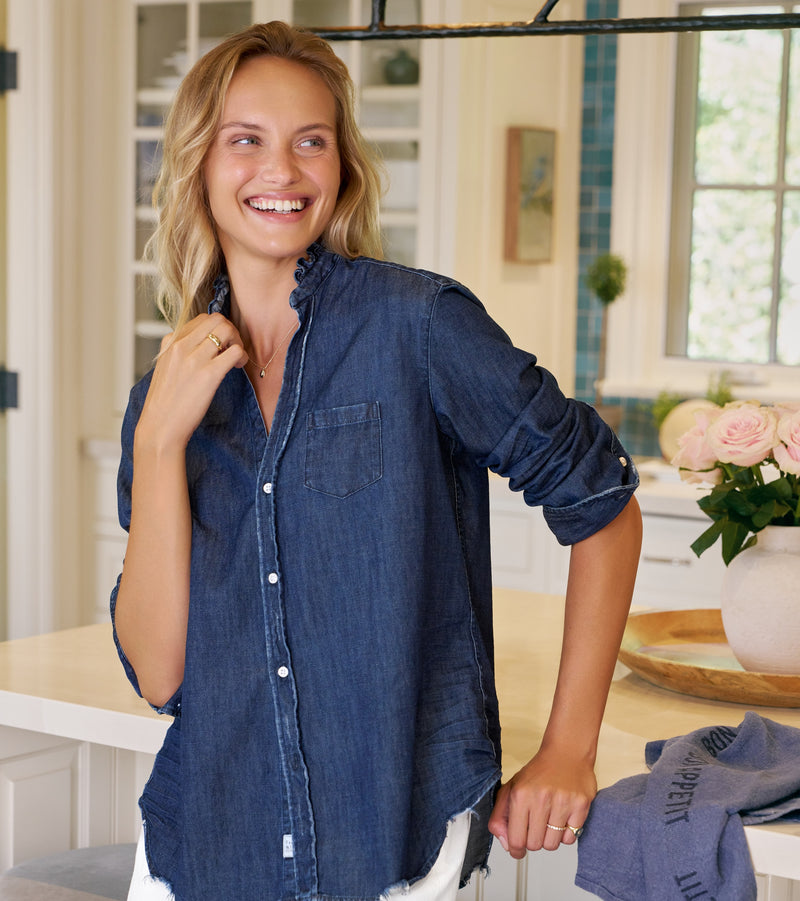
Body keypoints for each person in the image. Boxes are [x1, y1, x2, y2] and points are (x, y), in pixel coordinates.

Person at [111, 20, 642, 901]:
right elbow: (160, 671)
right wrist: (158, 443)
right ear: (201, 163)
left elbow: (603, 503)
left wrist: (569, 747)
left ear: (342, 168)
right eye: (247, 141)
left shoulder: (420, 326)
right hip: (207, 845)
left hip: (401, 846)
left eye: (309, 141)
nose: (281, 171)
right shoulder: (163, 396)